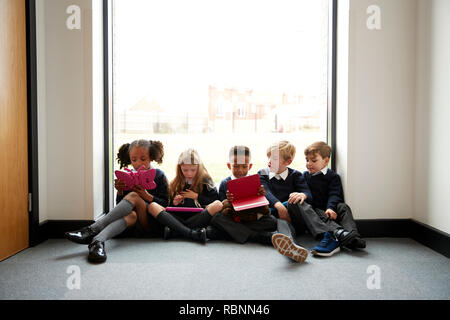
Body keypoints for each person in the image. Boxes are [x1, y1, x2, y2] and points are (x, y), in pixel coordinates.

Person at [64, 139, 169, 263]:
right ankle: (97, 242)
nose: (138, 163)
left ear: (151, 157)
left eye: (143, 159)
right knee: (131, 213)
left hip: (151, 224)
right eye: (134, 160)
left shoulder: (159, 175)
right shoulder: (129, 176)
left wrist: (146, 196)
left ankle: (91, 229)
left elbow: (165, 205)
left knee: (134, 196)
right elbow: (121, 207)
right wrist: (119, 191)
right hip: (132, 222)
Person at [211, 146, 309, 263]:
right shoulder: (224, 184)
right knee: (216, 219)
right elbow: (223, 210)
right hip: (235, 218)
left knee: (273, 221)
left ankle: (287, 244)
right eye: (236, 166)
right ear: (229, 165)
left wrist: (261, 195)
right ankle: (265, 237)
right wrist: (228, 201)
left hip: (253, 219)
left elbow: (263, 207)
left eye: (244, 166)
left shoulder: (255, 180)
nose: (240, 170)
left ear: (250, 166)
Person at [303, 141, 366, 257]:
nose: (309, 164)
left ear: (326, 161)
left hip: (330, 209)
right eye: (307, 160)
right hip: (316, 211)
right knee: (314, 209)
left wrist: (331, 208)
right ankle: (340, 233)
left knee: (343, 206)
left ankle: (353, 236)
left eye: (313, 160)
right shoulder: (305, 176)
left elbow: (335, 194)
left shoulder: (333, 177)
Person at [147, 148, 223, 242]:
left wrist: (197, 197)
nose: (189, 173)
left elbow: (213, 201)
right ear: (180, 168)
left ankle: (177, 231)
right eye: (185, 170)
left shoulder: (206, 181)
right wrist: (174, 203)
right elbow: (167, 207)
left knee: (218, 204)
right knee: (152, 206)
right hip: (177, 218)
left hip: (198, 217)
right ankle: (191, 233)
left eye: (193, 170)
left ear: (198, 168)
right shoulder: (175, 183)